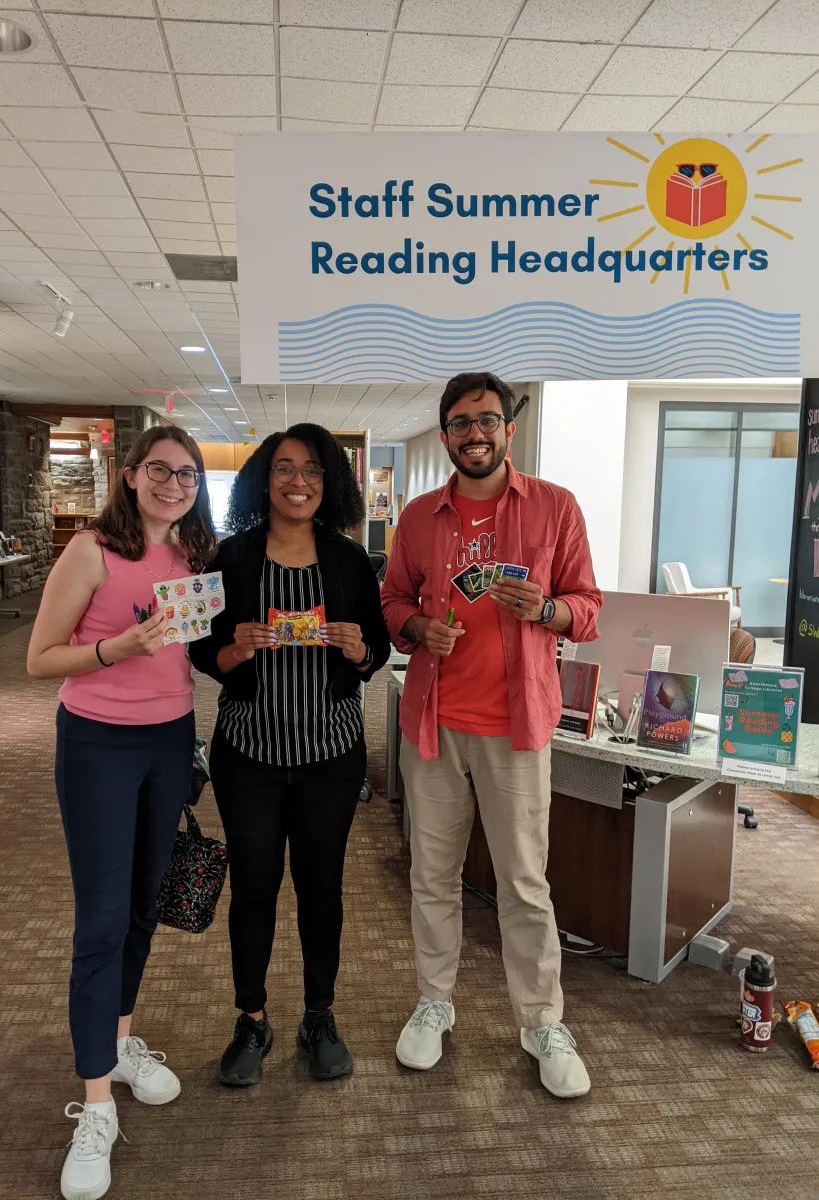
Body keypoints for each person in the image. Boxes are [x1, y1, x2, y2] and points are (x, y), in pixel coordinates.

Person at [381, 372, 602, 1099]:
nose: (474, 434)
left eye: (486, 420)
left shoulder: (554, 508)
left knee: (524, 884)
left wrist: (548, 609)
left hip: (518, 726)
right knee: (432, 876)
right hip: (434, 724)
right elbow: (393, 598)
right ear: (445, 433)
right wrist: (416, 627)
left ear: (508, 427)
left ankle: (541, 1021)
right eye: (459, 423)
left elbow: (588, 606)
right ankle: (433, 1002)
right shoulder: (418, 518)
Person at [27, 425, 216, 1200]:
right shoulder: (92, 553)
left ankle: (120, 1040)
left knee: (144, 907)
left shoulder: (192, 557)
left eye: (190, 474)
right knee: (102, 919)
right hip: (98, 745)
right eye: (162, 471)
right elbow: (40, 658)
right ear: (131, 475)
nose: (176, 484)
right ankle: (96, 1104)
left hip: (169, 741)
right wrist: (117, 649)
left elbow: (189, 651)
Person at [189, 423, 390, 1086]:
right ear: (262, 479)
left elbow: (378, 651)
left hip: (331, 756)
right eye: (283, 468)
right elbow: (199, 652)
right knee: (253, 888)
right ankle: (251, 1019)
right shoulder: (232, 557)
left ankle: (319, 1014)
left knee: (322, 889)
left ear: (329, 482)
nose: (297, 481)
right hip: (249, 755)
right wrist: (234, 650)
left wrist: (358, 649)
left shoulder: (349, 559)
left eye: (312, 469)